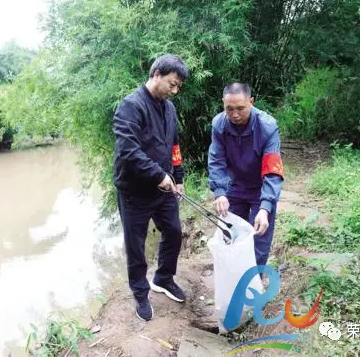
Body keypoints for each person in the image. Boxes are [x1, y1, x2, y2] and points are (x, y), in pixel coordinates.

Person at [112, 54, 189, 321]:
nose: (175, 90)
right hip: (134, 190)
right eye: (172, 83)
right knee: (136, 245)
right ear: (156, 74)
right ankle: (140, 293)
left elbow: (174, 146)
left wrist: (178, 178)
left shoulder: (169, 108)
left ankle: (164, 278)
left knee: (175, 231)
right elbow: (128, 151)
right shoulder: (130, 106)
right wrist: (159, 175)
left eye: (178, 86)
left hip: (164, 186)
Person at [207, 82, 284, 269]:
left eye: (240, 108)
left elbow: (273, 170)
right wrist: (219, 192)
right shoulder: (219, 124)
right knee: (230, 234)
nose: (234, 114)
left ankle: (253, 281)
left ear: (251, 101)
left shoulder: (267, 126)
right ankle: (233, 277)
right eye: (229, 109)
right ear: (223, 104)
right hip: (235, 187)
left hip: (261, 187)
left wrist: (265, 208)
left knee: (259, 238)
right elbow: (216, 160)